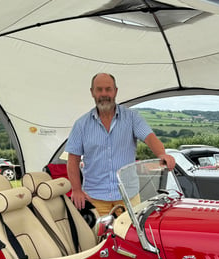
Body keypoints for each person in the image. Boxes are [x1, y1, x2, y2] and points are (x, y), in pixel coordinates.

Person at [65, 73, 175, 216]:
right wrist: (76, 190)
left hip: (128, 197)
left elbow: (150, 138)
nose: (104, 94)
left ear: (115, 91)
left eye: (108, 89)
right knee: (98, 239)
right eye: (99, 89)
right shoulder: (81, 125)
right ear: (92, 92)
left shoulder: (132, 117)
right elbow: (72, 160)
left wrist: (162, 154)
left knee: (131, 237)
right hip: (94, 199)